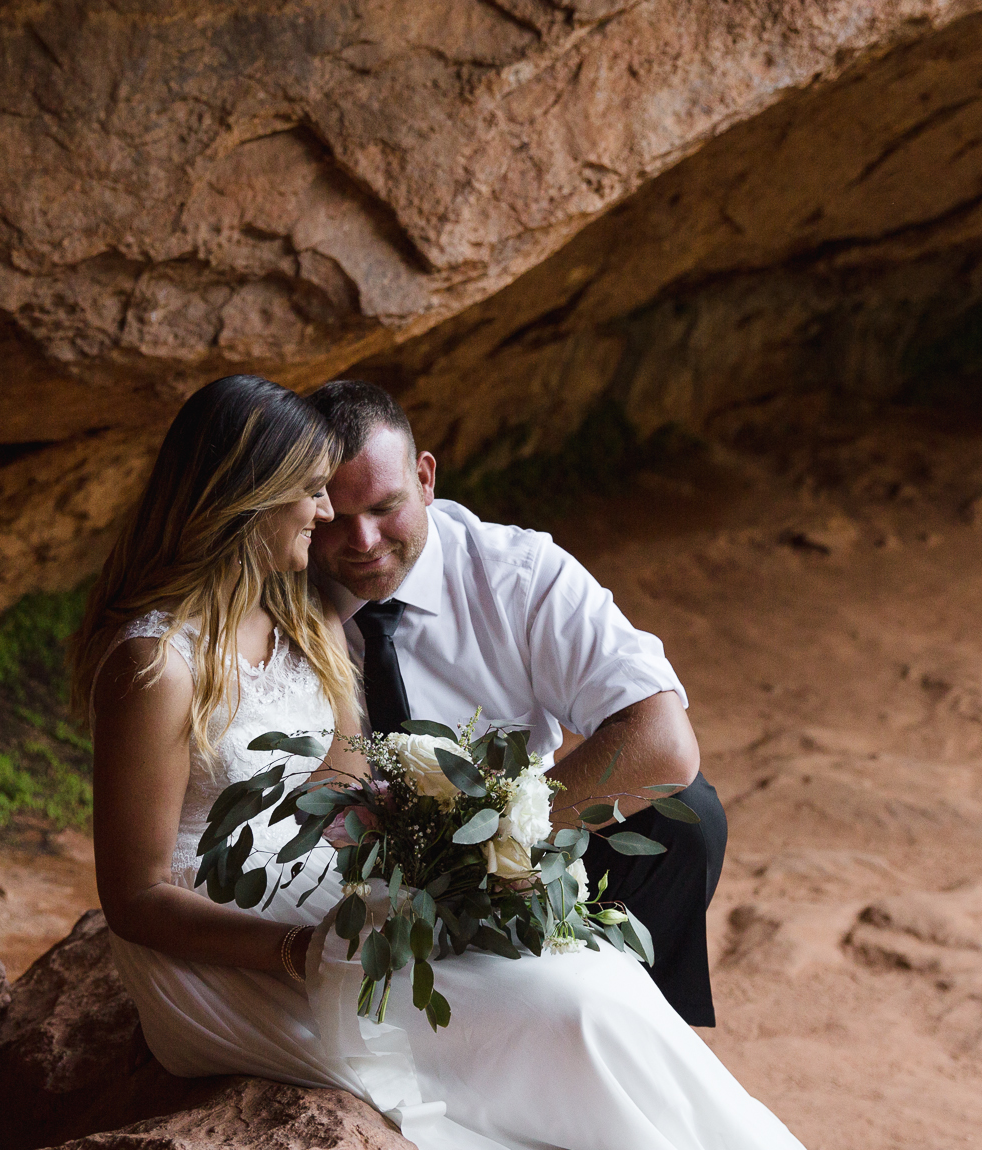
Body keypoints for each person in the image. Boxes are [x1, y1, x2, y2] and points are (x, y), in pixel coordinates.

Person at [72, 373, 878, 1150]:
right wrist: (299, 952)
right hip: (227, 950)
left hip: (330, 893)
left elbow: (337, 781)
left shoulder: (300, 609)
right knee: (549, 1010)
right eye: (313, 494)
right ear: (247, 501)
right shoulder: (154, 664)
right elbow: (134, 897)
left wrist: (447, 842)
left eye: (356, 497)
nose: (332, 519)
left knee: (590, 978)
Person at [303, 380, 726, 1028]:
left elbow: (663, 741)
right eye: (336, 515)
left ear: (425, 478)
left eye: (385, 506)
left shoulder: (519, 573)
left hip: (526, 855)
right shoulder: (279, 590)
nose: (363, 540)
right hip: (342, 873)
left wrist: (480, 852)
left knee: (685, 818)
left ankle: (648, 1032)